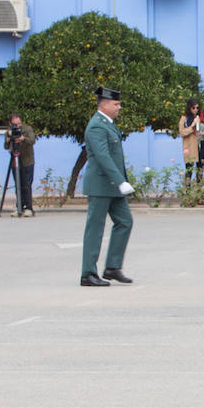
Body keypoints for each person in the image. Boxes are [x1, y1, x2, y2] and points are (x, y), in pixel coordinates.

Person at [79, 86, 135, 287]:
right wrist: (120, 181)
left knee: (125, 221)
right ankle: (88, 273)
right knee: (95, 228)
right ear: (104, 104)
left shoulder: (108, 125)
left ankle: (112, 267)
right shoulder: (96, 126)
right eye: (116, 104)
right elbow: (103, 157)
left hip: (113, 186)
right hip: (101, 186)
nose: (119, 107)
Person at [3, 112, 36, 216]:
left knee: (27, 185)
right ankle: (19, 207)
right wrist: (8, 138)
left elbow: (32, 140)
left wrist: (23, 139)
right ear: (10, 123)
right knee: (18, 185)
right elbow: (6, 146)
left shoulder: (27, 129)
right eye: (15, 124)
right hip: (15, 162)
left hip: (27, 161)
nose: (17, 126)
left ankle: (28, 208)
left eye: (19, 124)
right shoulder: (9, 132)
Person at [178, 98, 204, 183]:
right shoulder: (184, 118)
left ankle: (199, 190)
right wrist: (193, 125)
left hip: (201, 145)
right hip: (190, 147)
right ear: (189, 108)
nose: (195, 110)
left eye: (197, 108)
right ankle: (188, 190)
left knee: (200, 170)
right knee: (189, 170)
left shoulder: (203, 117)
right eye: (193, 108)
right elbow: (182, 132)